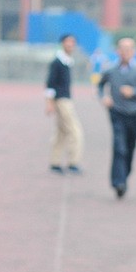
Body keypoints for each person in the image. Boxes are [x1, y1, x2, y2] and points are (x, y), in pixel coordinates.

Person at [97, 37, 136, 198]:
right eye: (122, 49)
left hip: (134, 115)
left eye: (128, 49)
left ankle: (124, 176)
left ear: (134, 52)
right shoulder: (110, 69)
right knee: (119, 148)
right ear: (118, 51)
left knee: (129, 149)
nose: (125, 52)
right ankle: (118, 183)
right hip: (117, 113)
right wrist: (104, 97)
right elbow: (100, 85)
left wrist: (134, 92)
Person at [45, 33, 84, 174]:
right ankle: (73, 162)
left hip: (64, 99)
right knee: (75, 131)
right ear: (62, 43)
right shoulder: (57, 62)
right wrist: (49, 102)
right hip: (62, 100)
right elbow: (50, 83)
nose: (70, 44)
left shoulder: (67, 61)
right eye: (68, 41)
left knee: (61, 131)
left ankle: (55, 162)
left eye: (72, 42)